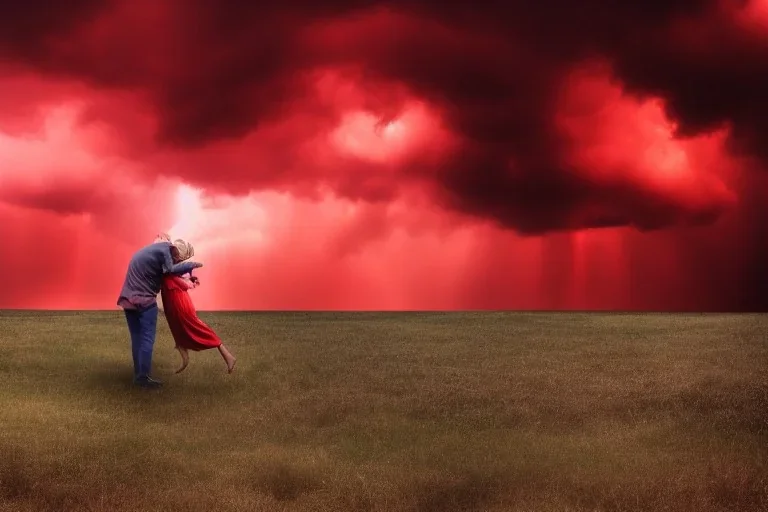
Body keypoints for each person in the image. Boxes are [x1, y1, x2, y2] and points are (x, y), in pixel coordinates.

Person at [117, 235, 202, 388]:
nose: (177, 262)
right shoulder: (165, 250)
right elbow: (170, 270)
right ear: (176, 253)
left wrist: (186, 272)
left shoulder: (154, 251)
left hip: (128, 298)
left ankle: (139, 376)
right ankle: (143, 378)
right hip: (144, 299)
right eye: (178, 260)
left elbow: (167, 271)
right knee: (147, 339)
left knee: (137, 338)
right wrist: (193, 264)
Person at [160, 245, 237, 374]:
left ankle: (228, 356)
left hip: (180, 306)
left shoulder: (170, 273)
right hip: (173, 306)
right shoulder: (169, 271)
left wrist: (189, 280)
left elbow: (183, 284)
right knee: (178, 331)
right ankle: (184, 361)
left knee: (197, 329)